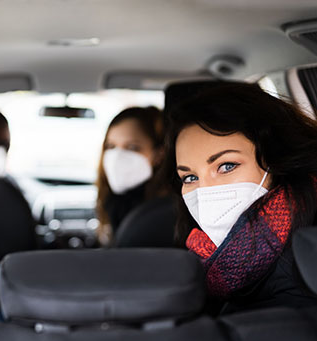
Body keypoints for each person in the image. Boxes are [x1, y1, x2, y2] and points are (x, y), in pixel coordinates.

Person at [165, 82, 317, 314]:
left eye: (226, 166)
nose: (205, 189)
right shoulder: (208, 266)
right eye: (189, 177)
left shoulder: (303, 269)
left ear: (277, 162)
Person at [95, 106, 168, 245]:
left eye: (132, 148)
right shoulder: (112, 204)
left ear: (158, 155)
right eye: (111, 146)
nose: (117, 156)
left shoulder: (163, 215)